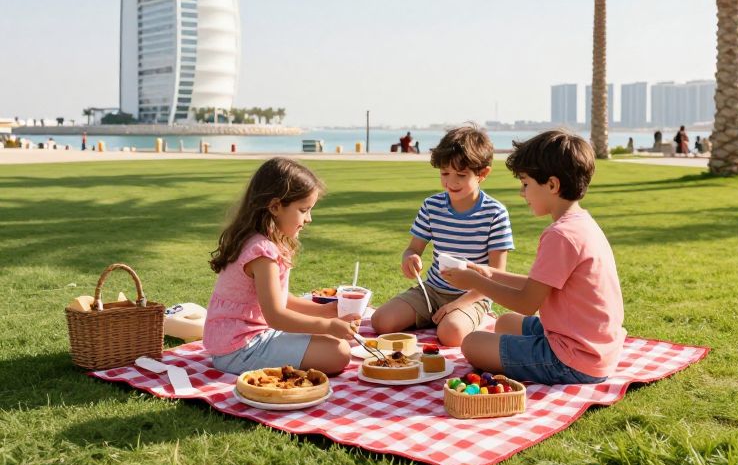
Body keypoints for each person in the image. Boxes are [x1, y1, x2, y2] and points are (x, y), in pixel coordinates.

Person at [442, 130, 625, 385]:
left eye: (526, 184)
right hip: (594, 346)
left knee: (472, 343)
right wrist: (490, 273)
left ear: (552, 185)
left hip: (572, 359)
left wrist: (475, 282)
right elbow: (539, 286)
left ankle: (535, 358)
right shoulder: (581, 223)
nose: (522, 193)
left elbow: (527, 302)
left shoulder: (560, 235)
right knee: (504, 322)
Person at [202, 157, 358, 375]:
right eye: (304, 210)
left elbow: (280, 298)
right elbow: (276, 316)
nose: (309, 218)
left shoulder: (258, 242)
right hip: (239, 350)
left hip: (241, 342)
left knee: (332, 341)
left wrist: (324, 311)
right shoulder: (262, 252)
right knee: (338, 352)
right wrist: (328, 325)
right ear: (275, 206)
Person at [371, 125, 514, 346]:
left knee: (450, 334)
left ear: (482, 174)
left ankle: (466, 318)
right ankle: (438, 316)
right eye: (445, 173)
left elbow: (496, 276)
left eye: (461, 175)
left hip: (473, 296)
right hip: (431, 291)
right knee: (381, 322)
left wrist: (457, 305)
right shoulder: (432, 206)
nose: (451, 182)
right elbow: (413, 249)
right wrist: (410, 259)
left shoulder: (495, 213)